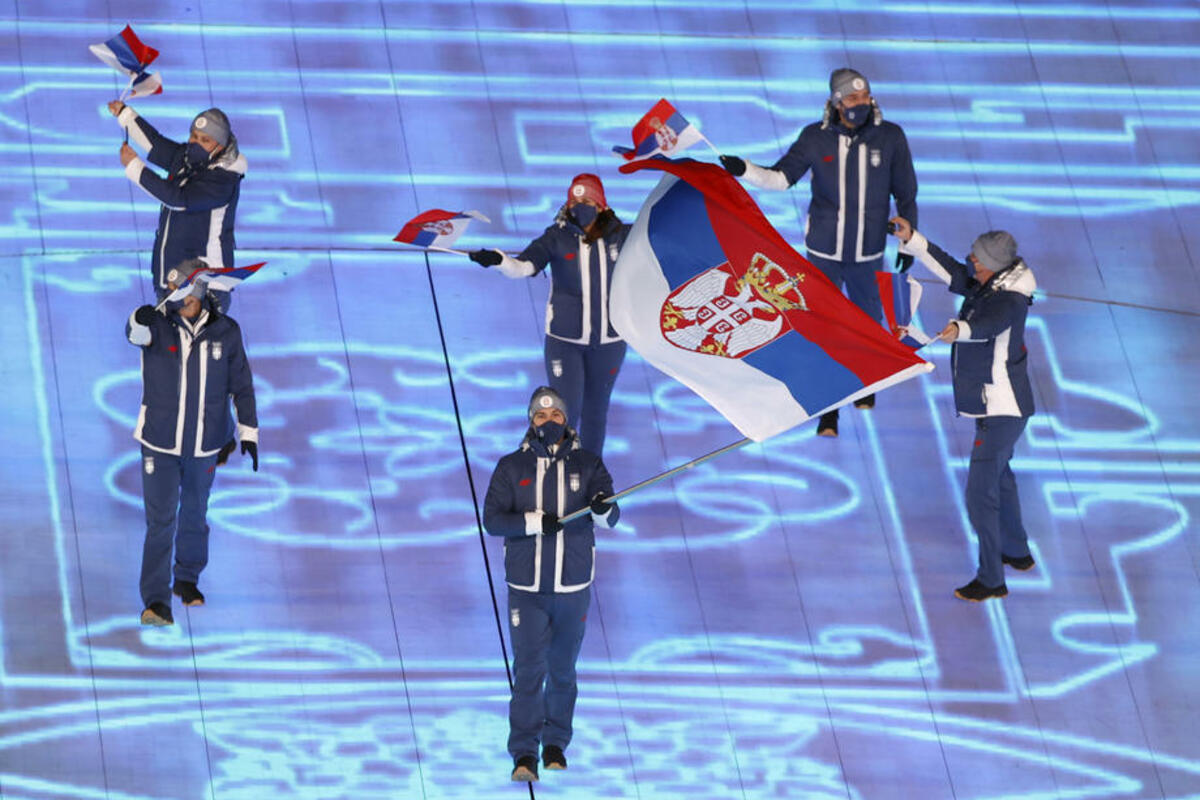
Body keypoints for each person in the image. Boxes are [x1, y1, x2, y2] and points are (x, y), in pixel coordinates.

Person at [720, 68, 918, 437]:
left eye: (865, 96)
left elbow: (906, 192)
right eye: (852, 98)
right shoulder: (815, 137)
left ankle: (864, 385)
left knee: (866, 324)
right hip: (824, 252)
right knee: (823, 328)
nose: (861, 103)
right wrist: (744, 169)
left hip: (867, 250)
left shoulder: (890, 137)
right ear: (836, 102)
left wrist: (910, 241)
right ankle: (829, 411)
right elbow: (781, 178)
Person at [890, 216, 1036, 602]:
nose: (971, 259)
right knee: (1001, 477)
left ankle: (991, 579)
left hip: (1001, 411)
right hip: (1000, 406)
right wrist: (914, 239)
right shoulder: (992, 282)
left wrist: (958, 330)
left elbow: (986, 326)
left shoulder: (1009, 300)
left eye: (977, 257)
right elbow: (953, 272)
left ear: (992, 264)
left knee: (979, 496)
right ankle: (1017, 552)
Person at [482, 386, 619, 782]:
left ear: (565, 420)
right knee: (528, 670)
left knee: (562, 668)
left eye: (555, 415)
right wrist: (533, 522)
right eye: (541, 416)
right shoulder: (512, 467)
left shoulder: (589, 464)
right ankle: (524, 752)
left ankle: (555, 743)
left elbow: (611, 518)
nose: (549, 422)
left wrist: (603, 508)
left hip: (572, 588)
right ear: (531, 421)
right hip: (527, 591)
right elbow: (493, 520)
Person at [126, 262, 258, 625]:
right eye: (172, 292)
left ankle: (187, 578)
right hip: (160, 443)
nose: (177, 299)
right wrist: (137, 318)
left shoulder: (227, 332)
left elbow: (241, 384)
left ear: (200, 291)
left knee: (196, 512)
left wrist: (248, 432)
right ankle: (156, 602)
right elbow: (134, 333)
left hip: (204, 445)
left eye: (183, 292)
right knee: (161, 520)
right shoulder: (156, 324)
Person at [468, 174, 630, 456]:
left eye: (587, 200)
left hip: (610, 341)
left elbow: (660, 241)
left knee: (596, 411)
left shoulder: (622, 236)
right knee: (564, 411)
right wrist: (498, 260)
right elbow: (524, 266)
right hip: (565, 342)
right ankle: (556, 468)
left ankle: (591, 473)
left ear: (601, 205)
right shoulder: (556, 237)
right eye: (574, 202)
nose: (580, 206)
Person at [109, 101, 246, 306]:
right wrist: (124, 114)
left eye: (205, 140)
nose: (196, 143)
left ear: (221, 146)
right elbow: (155, 144)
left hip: (205, 289)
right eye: (194, 136)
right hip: (171, 282)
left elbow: (178, 199)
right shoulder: (188, 159)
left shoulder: (224, 180)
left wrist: (135, 167)